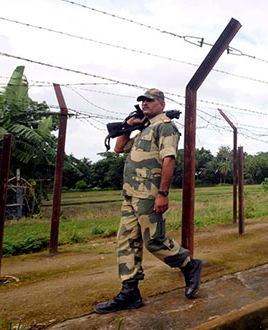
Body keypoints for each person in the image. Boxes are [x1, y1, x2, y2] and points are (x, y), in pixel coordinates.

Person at [95, 88, 202, 314]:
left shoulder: (165, 126)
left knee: (153, 240)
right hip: (130, 195)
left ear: (161, 103)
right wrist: (129, 126)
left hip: (149, 194)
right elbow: (118, 148)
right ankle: (130, 292)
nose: (145, 104)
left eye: (150, 101)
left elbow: (169, 159)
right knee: (126, 241)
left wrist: (163, 193)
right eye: (143, 101)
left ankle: (189, 265)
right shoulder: (144, 129)